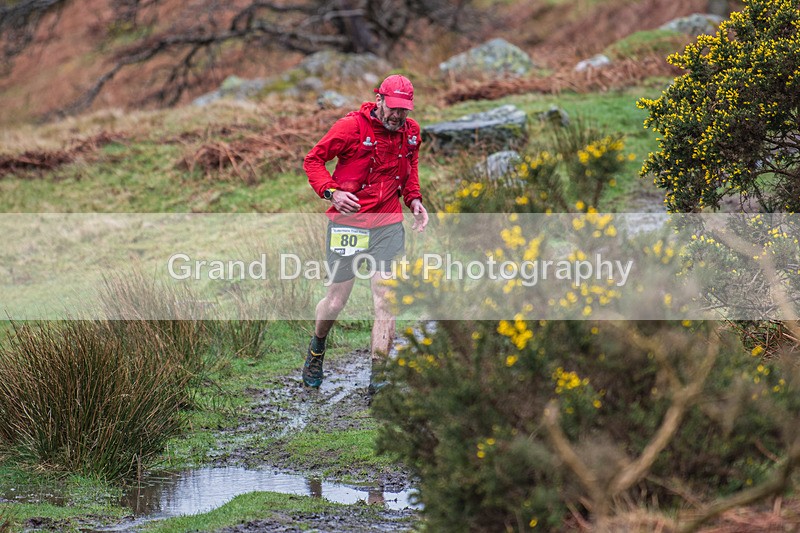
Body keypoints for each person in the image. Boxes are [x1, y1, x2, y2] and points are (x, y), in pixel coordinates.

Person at [302, 74, 429, 393]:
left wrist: (413, 199)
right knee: (335, 301)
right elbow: (313, 160)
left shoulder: (411, 133)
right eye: (394, 108)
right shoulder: (351, 128)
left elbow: (410, 167)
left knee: (386, 299)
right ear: (379, 100)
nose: (398, 116)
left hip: (387, 225)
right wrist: (331, 192)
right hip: (349, 225)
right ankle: (317, 348)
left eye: (404, 110)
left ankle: (379, 379)